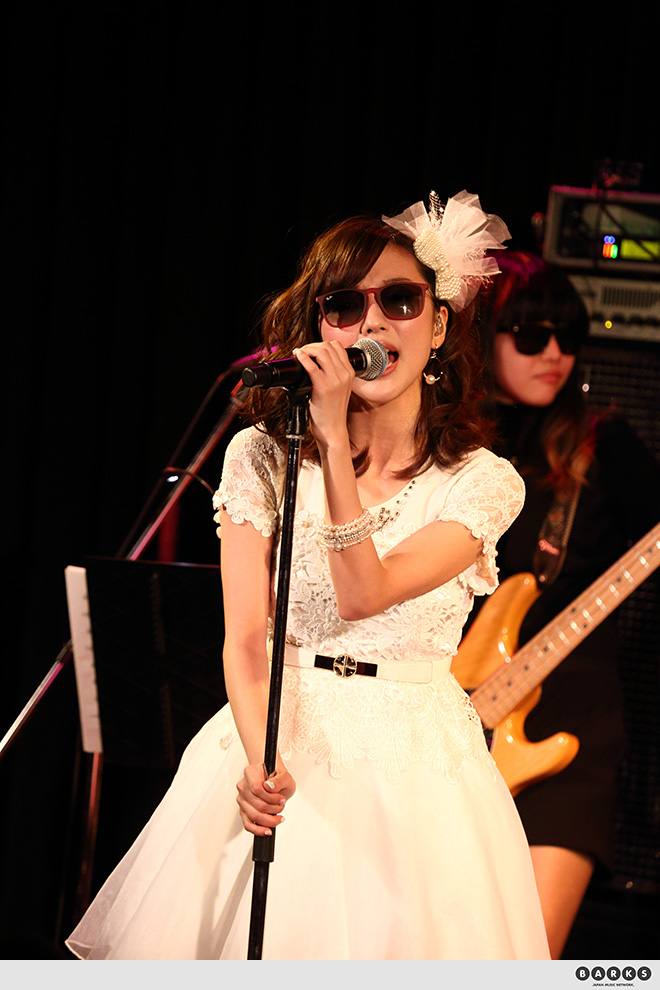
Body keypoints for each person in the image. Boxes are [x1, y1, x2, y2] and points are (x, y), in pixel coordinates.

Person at [65, 192, 550, 960]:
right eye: (344, 306)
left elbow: (364, 593)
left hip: (416, 777)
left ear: (438, 324)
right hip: (277, 736)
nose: (372, 325)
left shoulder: (482, 483)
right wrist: (260, 758)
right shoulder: (261, 456)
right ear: (320, 329)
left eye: (398, 300)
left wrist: (330, 441)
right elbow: (244, 638)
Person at [457, 251, 660, 958]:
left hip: (573, 719)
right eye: (532, 335)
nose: (555, 354)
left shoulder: (604, 444)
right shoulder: (449, 445)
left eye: (569, 337)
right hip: (453, 718)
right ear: (482, 339)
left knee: (525, 957)